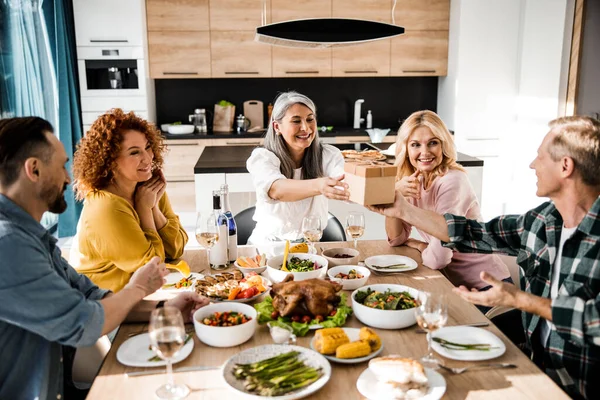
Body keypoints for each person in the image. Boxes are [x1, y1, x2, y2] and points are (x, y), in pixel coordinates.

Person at [370, 115, 600, 400]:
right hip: (534, 366)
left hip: (579, 386)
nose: (532, 164)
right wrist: (402, 210)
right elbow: (475, 232)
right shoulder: (544, 220)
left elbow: (594, 322)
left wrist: (520, 300)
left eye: (540, 157)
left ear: (565, 166)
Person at [0, 117, 209, 400]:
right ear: (34, 170)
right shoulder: (9, 244)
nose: (67, 177)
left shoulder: (31, 236)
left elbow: (91, 295)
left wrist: (165, 308)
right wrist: (137, 289)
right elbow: (83, 321)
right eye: (62, 166)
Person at [387, 110, 510, 312]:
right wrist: (393, 196)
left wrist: (421, 246)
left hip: (487, 292)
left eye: (433, 143)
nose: (424, 152)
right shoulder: (412, 180)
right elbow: (396, 239)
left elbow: (438, 259)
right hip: (453, 286)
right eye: (415, 144)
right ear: (405, 149)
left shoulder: (452, 181)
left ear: (444, 145)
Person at [70, 108, 188, 292]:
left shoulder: (147, 187)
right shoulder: (106, 207)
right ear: (109, 161)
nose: (148, 158)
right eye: (134, 153)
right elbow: (153, 267)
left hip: (140, 294)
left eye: (148, 147)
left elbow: (176, 249)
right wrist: (144, 210)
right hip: (104, 305)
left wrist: (154, 207)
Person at [246, 91, 349, 244]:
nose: (306, 128)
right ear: (277, 127)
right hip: (267, 246)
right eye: (296, 121)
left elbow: (347, 184)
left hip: (311, 243)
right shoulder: (262, 158)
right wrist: (319, 185)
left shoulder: (328, 155)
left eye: (310, 119)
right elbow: (276, 190)